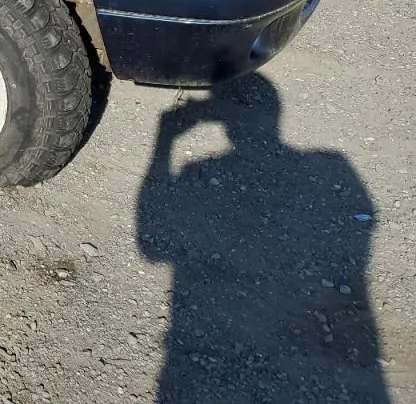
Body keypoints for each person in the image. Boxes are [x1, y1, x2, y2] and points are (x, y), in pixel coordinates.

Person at [137, 75, 389, 403]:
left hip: (200, 353)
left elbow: (151, 246)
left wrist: (165, 138)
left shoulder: (198, 169)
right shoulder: (333, 165)